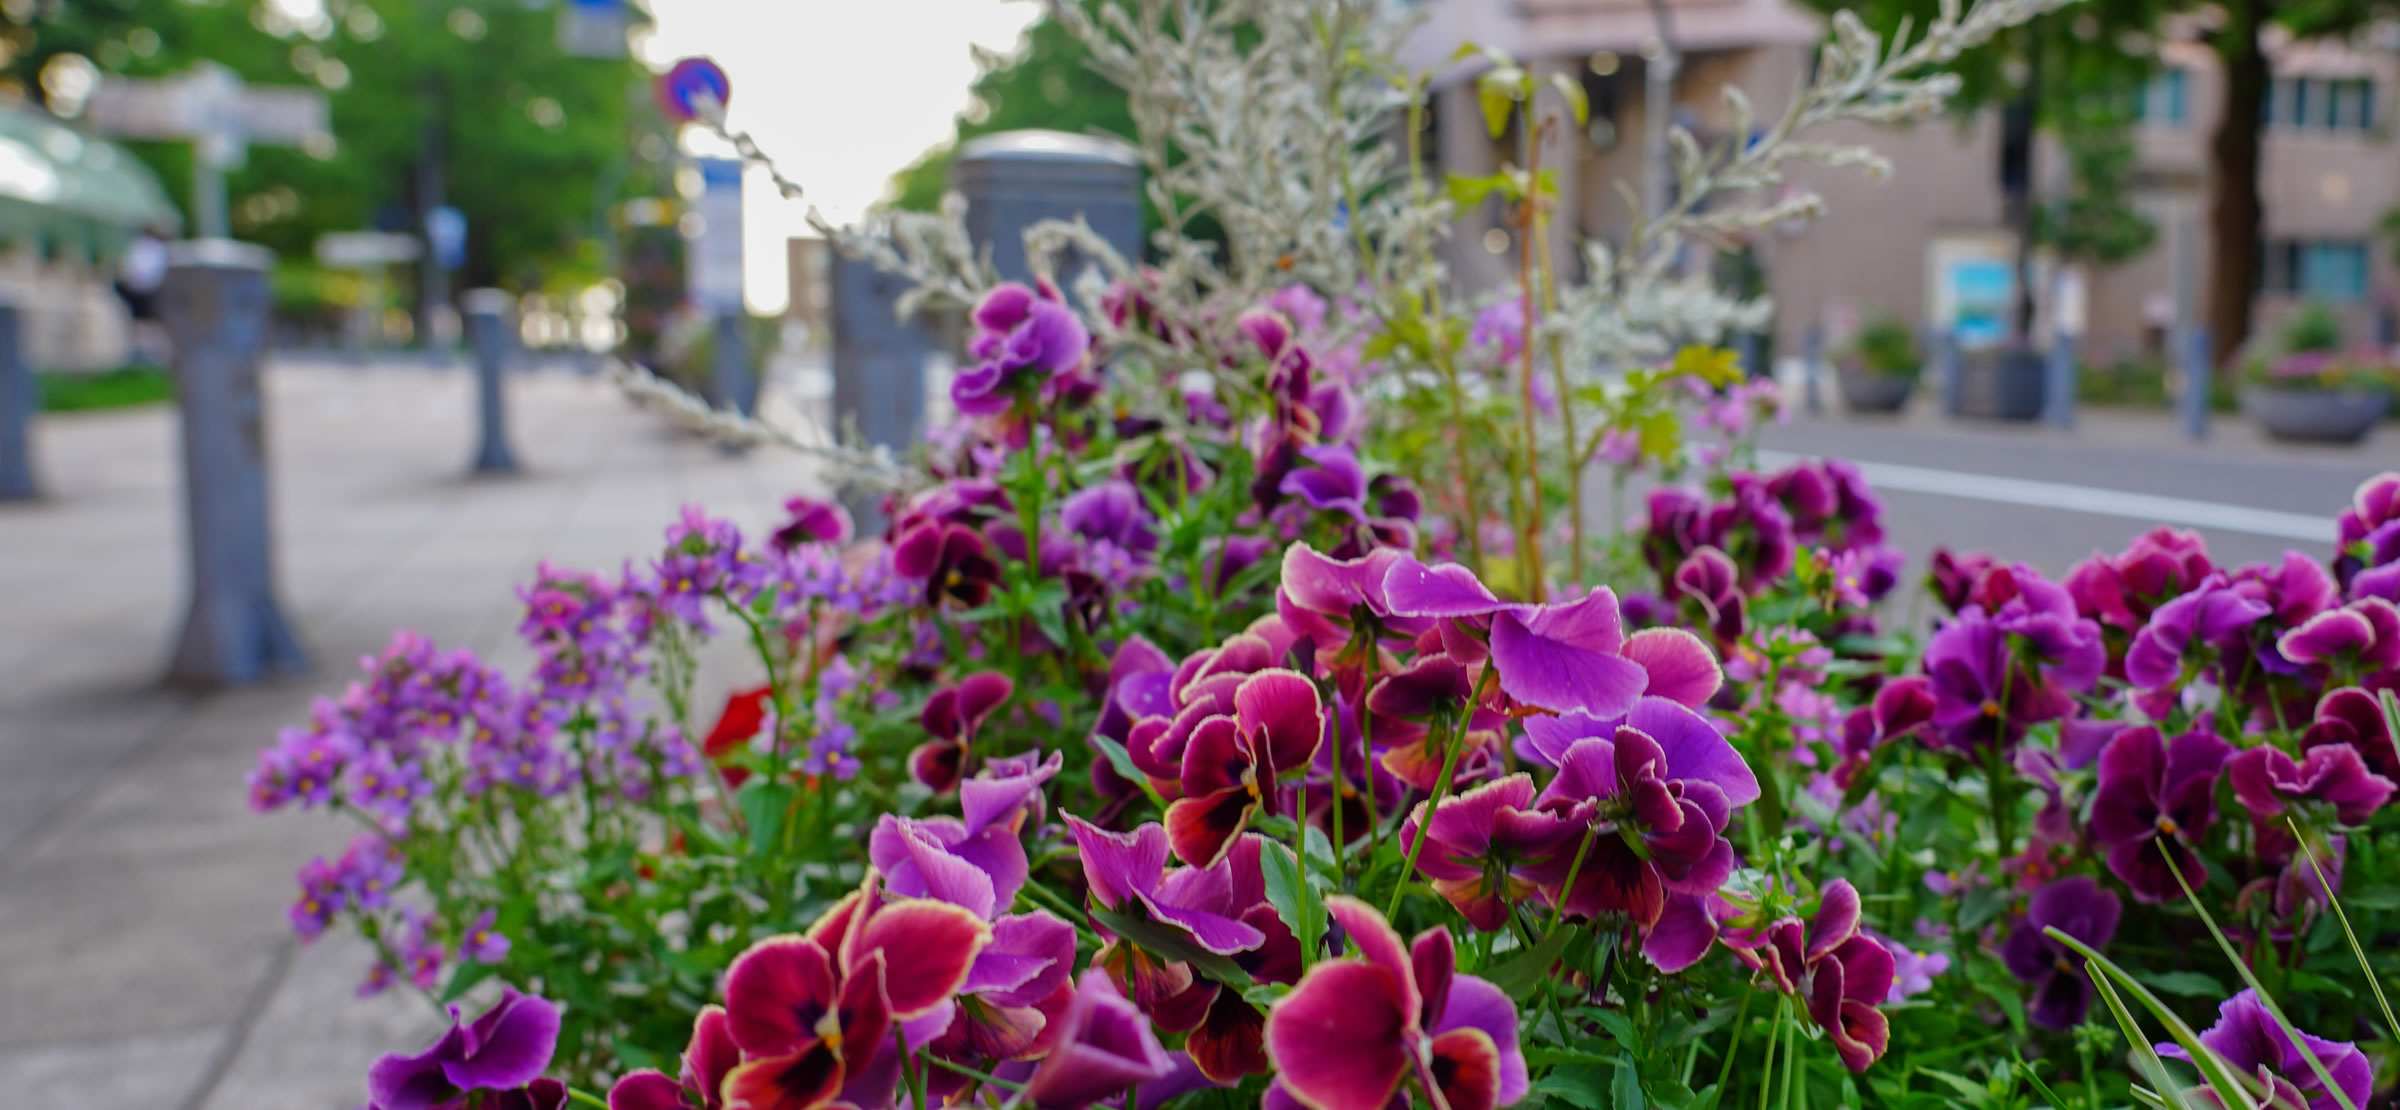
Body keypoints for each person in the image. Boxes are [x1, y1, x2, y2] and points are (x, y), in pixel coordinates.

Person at [114, 226, 169, 365]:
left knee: (143, 325)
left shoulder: (139, 247)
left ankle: (144, 353)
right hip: (149, 290)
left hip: (140, 289)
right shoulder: (154, 248)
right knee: (150, 324)